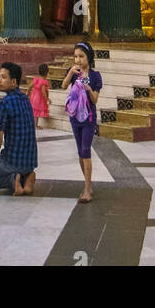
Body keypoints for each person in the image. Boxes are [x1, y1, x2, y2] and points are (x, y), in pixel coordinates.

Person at [0, 62, 39, 196]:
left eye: (3, 77)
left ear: (13, 81)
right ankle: (27, 177)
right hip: (30, 161)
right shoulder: (25, 99)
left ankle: (12, 180)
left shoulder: (6, 103)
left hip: (12, 161)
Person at [61, 42, 102, 203]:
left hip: (89, 119)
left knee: (86, 150)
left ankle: (86, 190)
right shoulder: (74, 72)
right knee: (80, 151)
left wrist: (88, 88)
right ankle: (88, 184)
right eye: (75, 56)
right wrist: (70, 73)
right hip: (74, 117)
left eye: (81, 56)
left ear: (88, 58)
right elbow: (64, 86)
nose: (77, 60)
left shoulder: (95, 76)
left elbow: (95, 99)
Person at [29, 63, 50, 129]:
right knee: (36, 112)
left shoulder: (36, 79)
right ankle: (35, 125)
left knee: (34, 111)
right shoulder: (44, 82)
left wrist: (28, 92)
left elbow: (30, 86)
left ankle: (34, 124)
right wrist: (47, 99)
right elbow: (43, 92)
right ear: (47, 73)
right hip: (39, 99)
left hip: (33, 97)